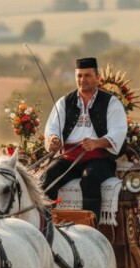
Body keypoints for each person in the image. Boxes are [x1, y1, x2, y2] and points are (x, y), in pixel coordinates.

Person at [42, 57, 128, 221]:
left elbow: (118, 132)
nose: (83, 80)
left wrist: (97, 143)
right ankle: (47, 225)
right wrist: (53, 139)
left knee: (90, 179)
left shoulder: (111, 103)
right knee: (47, 177)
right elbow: (52, 128)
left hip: (100, 159)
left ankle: (90, 228)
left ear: (97, 77)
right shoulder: (64, 102)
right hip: (69, 158)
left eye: (87, 75)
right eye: (79, 76)